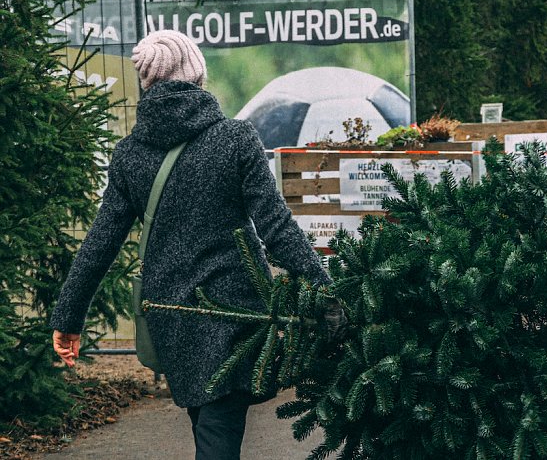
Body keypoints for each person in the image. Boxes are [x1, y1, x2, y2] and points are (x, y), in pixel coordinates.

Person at [50, 30, 345, 459]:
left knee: (209, 429)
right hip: (235, 313)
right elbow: (276, 229)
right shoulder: (235, 139)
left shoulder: (131, 154)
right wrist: (325, 289)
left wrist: (68, 317)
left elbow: (100, 243)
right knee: (218, 433)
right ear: (197, 74)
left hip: (172, 317)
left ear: (147, 83)